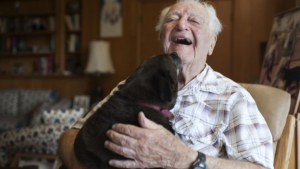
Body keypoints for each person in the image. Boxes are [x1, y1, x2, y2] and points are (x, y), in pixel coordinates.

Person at [59, 0, 274, 169]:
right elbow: (71, 136)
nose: (181, 25)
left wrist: (186, 159)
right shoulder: (133, 85)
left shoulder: (233, 98)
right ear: (162, 37)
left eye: (194, 21)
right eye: (172, 19)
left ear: (211, 43)